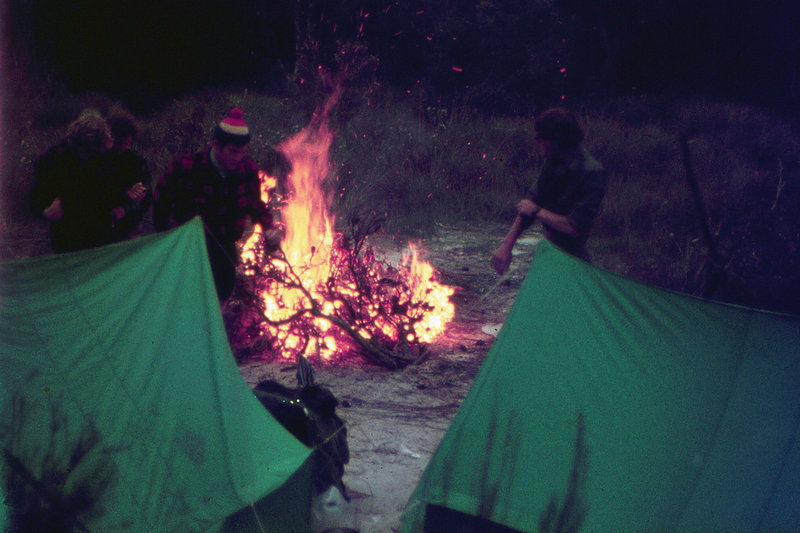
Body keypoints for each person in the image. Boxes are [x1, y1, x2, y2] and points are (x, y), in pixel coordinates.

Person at [153, 108, 282, 301]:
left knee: (222, 291)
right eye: (233, 151)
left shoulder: (246, 169)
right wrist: (165, 233)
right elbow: (161, 199)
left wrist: (268, 227)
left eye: (242, 152)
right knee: (181, 294)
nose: (238, 157)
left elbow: (254, 203)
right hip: (188, 243)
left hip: (224, 244)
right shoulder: (187, 166)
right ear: (215, 145)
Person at [491, 107, 606, 274]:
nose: (537, 142)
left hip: (574, 257)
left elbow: (574, 227)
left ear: (556, 139)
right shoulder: (553, 162)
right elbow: (530, 204)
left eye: (540, 137)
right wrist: (506, 246)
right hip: (551, 250)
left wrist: (537, 211)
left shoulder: (592, 173)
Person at [29, 108, 117, 252]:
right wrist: (46, 212)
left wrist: (123, 202)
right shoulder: (50, 161)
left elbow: (114, 189)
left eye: (96, 152)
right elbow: (35, 200)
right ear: (75, 142)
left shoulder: (104, 156)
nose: (91, 156)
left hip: (102, 236)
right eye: (88, 151)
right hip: (68, 238)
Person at [105, 109, 152, 242]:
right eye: (118, 144)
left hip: (129, 227)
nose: (123, 148)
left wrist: (126, 210)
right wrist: (123, 193)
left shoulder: (136, 162)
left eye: (126, 144)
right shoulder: (96, 159)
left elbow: (145, 195)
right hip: (98, 225)